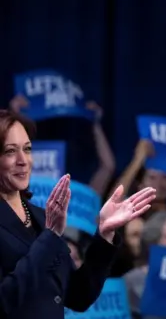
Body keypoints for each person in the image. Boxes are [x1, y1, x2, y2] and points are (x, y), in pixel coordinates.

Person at [0, 109, 157, 319]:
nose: (23, 160)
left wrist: (104, 233)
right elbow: (6, 300)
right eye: (10, 151)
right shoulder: (50, 225)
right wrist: (50, 236)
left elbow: (79, 296)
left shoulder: (41, 216)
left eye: (27, 149)